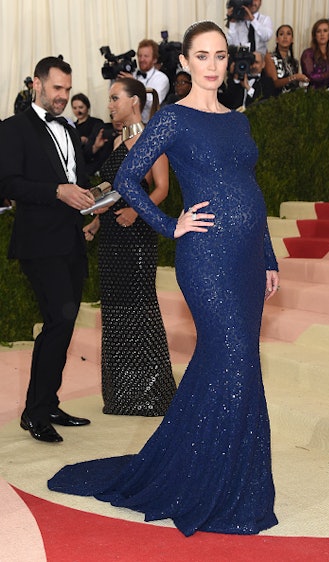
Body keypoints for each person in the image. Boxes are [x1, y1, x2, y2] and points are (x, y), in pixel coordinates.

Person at [48, 21, 279, 537]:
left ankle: (227, 472)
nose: (214, 65)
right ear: (186, 64)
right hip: (207, 258)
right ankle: (211, 480)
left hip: (246, 259)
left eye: (221, 56)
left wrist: (269, 258)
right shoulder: (173, 119)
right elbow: (129, 178)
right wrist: (170, 225)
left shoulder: (238, 122)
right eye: (203, 56)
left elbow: (250, 188)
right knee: (234, 355)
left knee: (232, 361)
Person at [0, 56, 95, 443]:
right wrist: (58, 191)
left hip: (72, 237)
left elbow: (79, 179)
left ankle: (47, 401)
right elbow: (8, 183)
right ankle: (34, 413)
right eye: (57, 88)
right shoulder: (13, 128)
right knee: (58, 322)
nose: (63, 96)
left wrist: (94, 208)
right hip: (39, 243)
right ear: (36, 85)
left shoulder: (69, 131)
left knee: (66, 323)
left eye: (68, 90)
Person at [83, 78, 176, 416]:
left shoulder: (152, 140)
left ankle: (154, 393)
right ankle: (123, 395)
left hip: (136, 240)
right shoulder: (118, 142)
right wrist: (95, 219)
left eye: (114, 98)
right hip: (110, 240)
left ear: (134, 101)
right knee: (116, 312)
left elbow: (162, 188)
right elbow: (113, 190)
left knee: (140, 309)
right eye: (109, 99)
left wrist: (137, 211)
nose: (109, 105)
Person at [120, 39, 170, 122]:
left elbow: (152, 103)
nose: (142, 59)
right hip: (130, 125)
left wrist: (134, 85)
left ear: (154, 59)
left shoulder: (161, 78)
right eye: (139, 56)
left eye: (146, 56)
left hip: (150, 125)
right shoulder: (133, 74)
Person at [265, 25, 310, 94]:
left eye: (288, 34)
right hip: (275, 99)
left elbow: (294, 85)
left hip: (292, 99)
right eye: (281, 34)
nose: (285, 37)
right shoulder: (270, 57)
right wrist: (294, 77)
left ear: (292, 39)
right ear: (277, 39)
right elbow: (274, 83)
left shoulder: (294, 62)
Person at [301, 19, 329, 90]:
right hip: (312, 96)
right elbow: (309, 77)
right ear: (314, 36)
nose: (322, 34)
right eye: (318, 31)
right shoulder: (308, 54)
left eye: (325, 31)